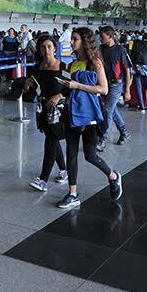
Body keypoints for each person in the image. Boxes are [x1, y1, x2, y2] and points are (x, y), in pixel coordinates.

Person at [58, 27, 122, 209]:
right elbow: (69, 88)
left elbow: (104, 89)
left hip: (89, 114)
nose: (72, 42)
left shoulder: (95, 63)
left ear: (85, 41)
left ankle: (113, 176)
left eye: (75, 39)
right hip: (72, 113)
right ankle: (72, 193)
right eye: (72, 39)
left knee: (90, 155)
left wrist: (77, 85)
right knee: (71, 153)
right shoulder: (72, 64)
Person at [28, 35, 69, 192]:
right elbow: (36, 89)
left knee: (51, 140)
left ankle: (43, 179)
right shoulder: (37, 68)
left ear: (55, 49)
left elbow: (71, 87)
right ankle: (64, 170)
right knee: (52, 139)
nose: (46, 50)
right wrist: (28, 85)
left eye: (49, 47)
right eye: (43, 47)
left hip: (58, 110)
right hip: (43, 108)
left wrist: (59, 95)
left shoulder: (63, 67)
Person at [97, 26, 132, 151]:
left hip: (116, 85)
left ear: (110, 36)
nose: (100, 39)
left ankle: (103, 139)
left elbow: (127, 70)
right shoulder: (100, 49)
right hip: (104, 85)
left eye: (102, 36)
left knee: (107, 111)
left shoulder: (120, 50)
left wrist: (127, 90)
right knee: (112, 110)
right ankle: (124, 132)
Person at [130, 32, 147, 112]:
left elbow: (131, 54)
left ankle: (141, 107)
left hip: (136, 66)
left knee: (138, 86)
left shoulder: (136, 44)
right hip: (146, 66)